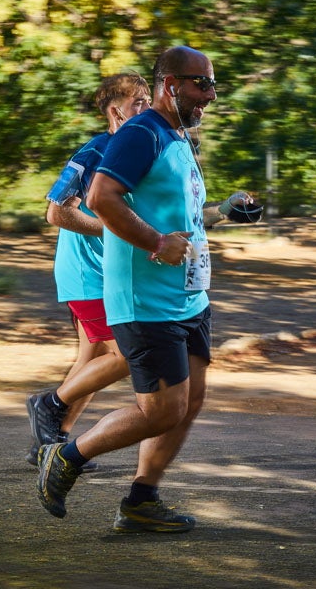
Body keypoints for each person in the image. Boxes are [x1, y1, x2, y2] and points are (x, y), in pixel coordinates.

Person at [36, 46, 249, 533]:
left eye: (213, 84)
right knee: (161, 411)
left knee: (189, 402)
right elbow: (99, 197)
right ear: (170, 85)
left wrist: (227, 211)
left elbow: (183, 216)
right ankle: (66, 457)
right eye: (202, 84)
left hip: (188, 297)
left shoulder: (178, 136)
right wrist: (154, 242)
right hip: (146, 301)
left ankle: (140, 501)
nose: (210, 96)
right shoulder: (141, 132)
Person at [24, 73, 151, 467]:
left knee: (90, 359)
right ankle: (47, 403)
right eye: (139, 104)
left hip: (104, 274)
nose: (147, 110)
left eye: (149, 101)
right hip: (87, 276)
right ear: (116, 112)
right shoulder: (98, 149)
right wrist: (116, 229)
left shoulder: (137, 150)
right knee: (127, 357)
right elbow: (57, 212)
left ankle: (50, 444)